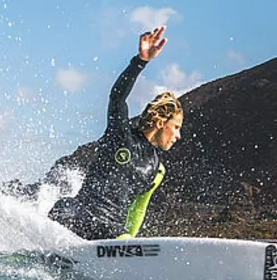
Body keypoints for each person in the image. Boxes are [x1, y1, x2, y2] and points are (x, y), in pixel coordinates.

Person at [48, 26, 183, 240]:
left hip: (109, 235)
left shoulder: (157, 169)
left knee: (116, 234)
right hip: (77, 217)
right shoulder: (120, 136)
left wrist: (127, 248)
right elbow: (117, 98)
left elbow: (138, 211)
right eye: (176, 127)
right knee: (66, 208)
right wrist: (140, 62)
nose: (178, 136)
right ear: (160, 121)